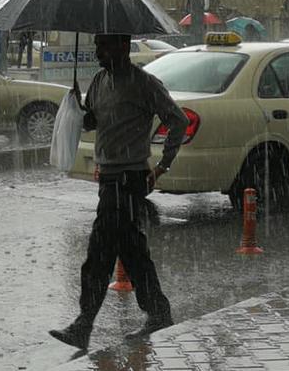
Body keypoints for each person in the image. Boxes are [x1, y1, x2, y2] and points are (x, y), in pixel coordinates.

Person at [48, 33, 189, 351]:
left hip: (128, 179)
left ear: (123, 48)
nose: (97, 51)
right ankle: (158, 312)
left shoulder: (145, 84)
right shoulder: (99, 80)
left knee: (99, 253)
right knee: (132, 251)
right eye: (96, 45)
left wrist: (163, 164)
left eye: (103, 46)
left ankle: (84, 324)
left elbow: (177, 121)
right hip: (109, 179)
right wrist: (76, 107)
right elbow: (93, 121)